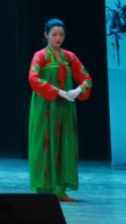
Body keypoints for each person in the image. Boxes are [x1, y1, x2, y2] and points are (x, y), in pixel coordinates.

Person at [28, 18, 92, 202]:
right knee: (45, 143)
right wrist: (57, 91)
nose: (58, 38)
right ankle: (44, 188)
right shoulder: (40, 56)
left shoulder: (69, 57)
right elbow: (33, 79)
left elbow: (87, 79)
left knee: (64, 144)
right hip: (46, 107)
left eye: (61, 35)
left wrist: (78, 89)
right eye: (54, 34)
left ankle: (60, 189)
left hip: (65, 108)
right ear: (46, 35)